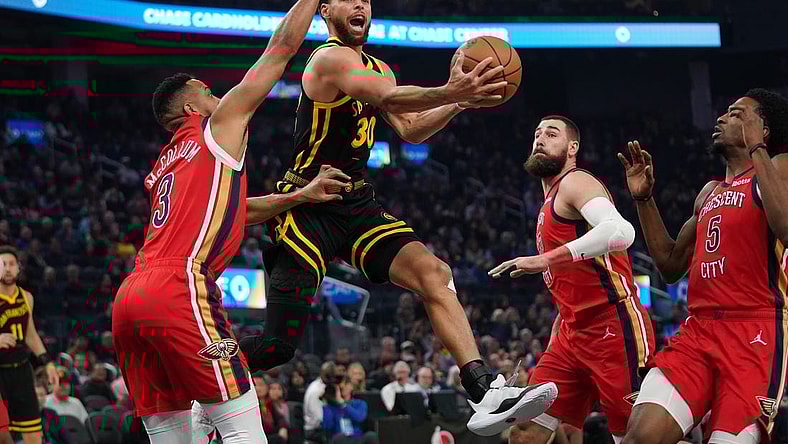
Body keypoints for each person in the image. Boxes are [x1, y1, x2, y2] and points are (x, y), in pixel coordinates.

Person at [239, 0, 557, 435]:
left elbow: (410, 128)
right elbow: (386, 97)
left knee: (435, 273)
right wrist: (453, 91)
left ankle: (483, 392)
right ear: (326, 11)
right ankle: (199, 372)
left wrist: (458, 104)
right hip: (305, 203)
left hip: (355, 204)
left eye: (366, 0)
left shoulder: (380, 67)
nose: (361, 5)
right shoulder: (328, 58)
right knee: (277, 348)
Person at [110, 1, 345, 442]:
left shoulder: (167, 163)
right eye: (205, 87)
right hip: (179, 286)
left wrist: (299, 195)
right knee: (242, 427)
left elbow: (231, 212)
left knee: (171, 435)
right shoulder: (216, 124)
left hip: (130, 298)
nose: (216, 91)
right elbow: (281, 48)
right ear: (190, 104)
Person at [618, 90, 788, 444]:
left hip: (754, 332)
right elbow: (668, 265)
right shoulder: (709, 191)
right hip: (698, 329)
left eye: (737, 114)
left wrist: (758, 150)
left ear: (763, 128)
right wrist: (644, 200)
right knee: (640, 436)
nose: (722, 118)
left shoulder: (779, 167)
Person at [489, 116, 655, 444]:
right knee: (524, 433)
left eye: (552, 134)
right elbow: (570, 281)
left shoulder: (575, 182)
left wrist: (545, 258)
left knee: (637, 438)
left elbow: (621, 231)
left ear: (572, 148)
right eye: (536, 134)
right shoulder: (548, 202)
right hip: (570, 333)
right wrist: (559, 325)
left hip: (613, 325)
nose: (540, 139)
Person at [0, 246, 59, 444]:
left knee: (34, 435)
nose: (7, 269)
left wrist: (47, 362)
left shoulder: (27, 297)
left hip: (22, 371)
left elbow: (31, 335)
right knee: (3, 436)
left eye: (11, 264)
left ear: (19, 268)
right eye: (2, 265)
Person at [322, 377, 377, 444]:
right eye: (338, 387)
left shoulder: (359, 403)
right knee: (341, 438)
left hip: (357, 439)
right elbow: (327, 426)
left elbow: (360, 418)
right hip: (340, 439)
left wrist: (343, 404)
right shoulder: (331, 407)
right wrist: (327, 403)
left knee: (371, 436)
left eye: (343, 385)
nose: (341, 388)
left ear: (350, 386)